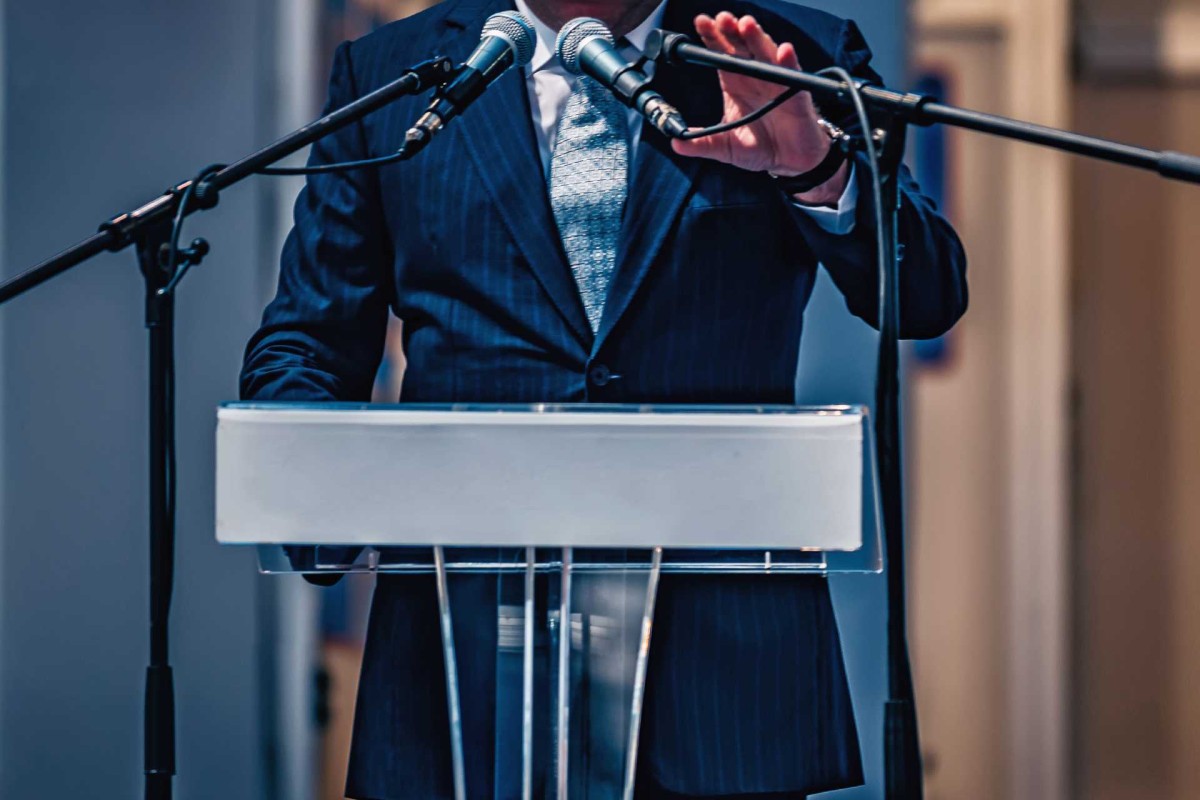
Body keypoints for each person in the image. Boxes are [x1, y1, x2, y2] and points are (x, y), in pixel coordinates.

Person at [240, 0, 968, 797]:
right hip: (460, 664)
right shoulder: (391, 72)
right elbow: (307, 340)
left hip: (723, 683)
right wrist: (319, 505)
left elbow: (927, 293)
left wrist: (818, 169)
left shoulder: (791, 53)